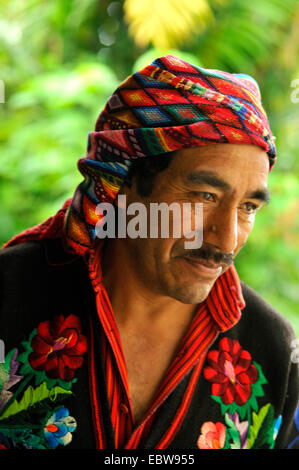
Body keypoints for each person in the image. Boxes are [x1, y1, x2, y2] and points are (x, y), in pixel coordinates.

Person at [0, 55, 298, 451]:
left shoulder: (273, 350)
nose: (225, 241)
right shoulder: (10, 296)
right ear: (122, 186)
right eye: (204, 196)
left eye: (248, 207)